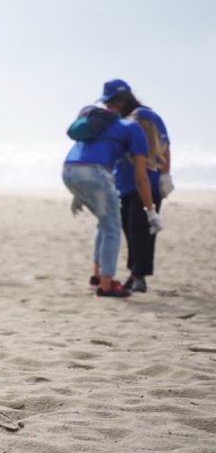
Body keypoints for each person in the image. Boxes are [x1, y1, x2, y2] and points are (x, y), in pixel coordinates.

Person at [62, 79, 160, 297]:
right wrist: (151, 211)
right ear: (127, 101)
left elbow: (83, 156)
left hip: (69, 171)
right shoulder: (132, 128)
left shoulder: (94, 123)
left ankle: (97, 274)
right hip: (95, 173)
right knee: (113, 228)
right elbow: (141, 177)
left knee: (105, 223)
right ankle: (106, 285)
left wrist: (79, 194)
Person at [111, 86, 172, 293]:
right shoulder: (123, 121)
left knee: (140, 230)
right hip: (127, 185)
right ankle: (135, 273)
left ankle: (139, 276)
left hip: (147, 182)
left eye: (111, 103)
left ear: (122, 100)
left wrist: (165, 174)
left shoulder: (143, 116)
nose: (108, 107)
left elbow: (163, 145)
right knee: (130, 229)